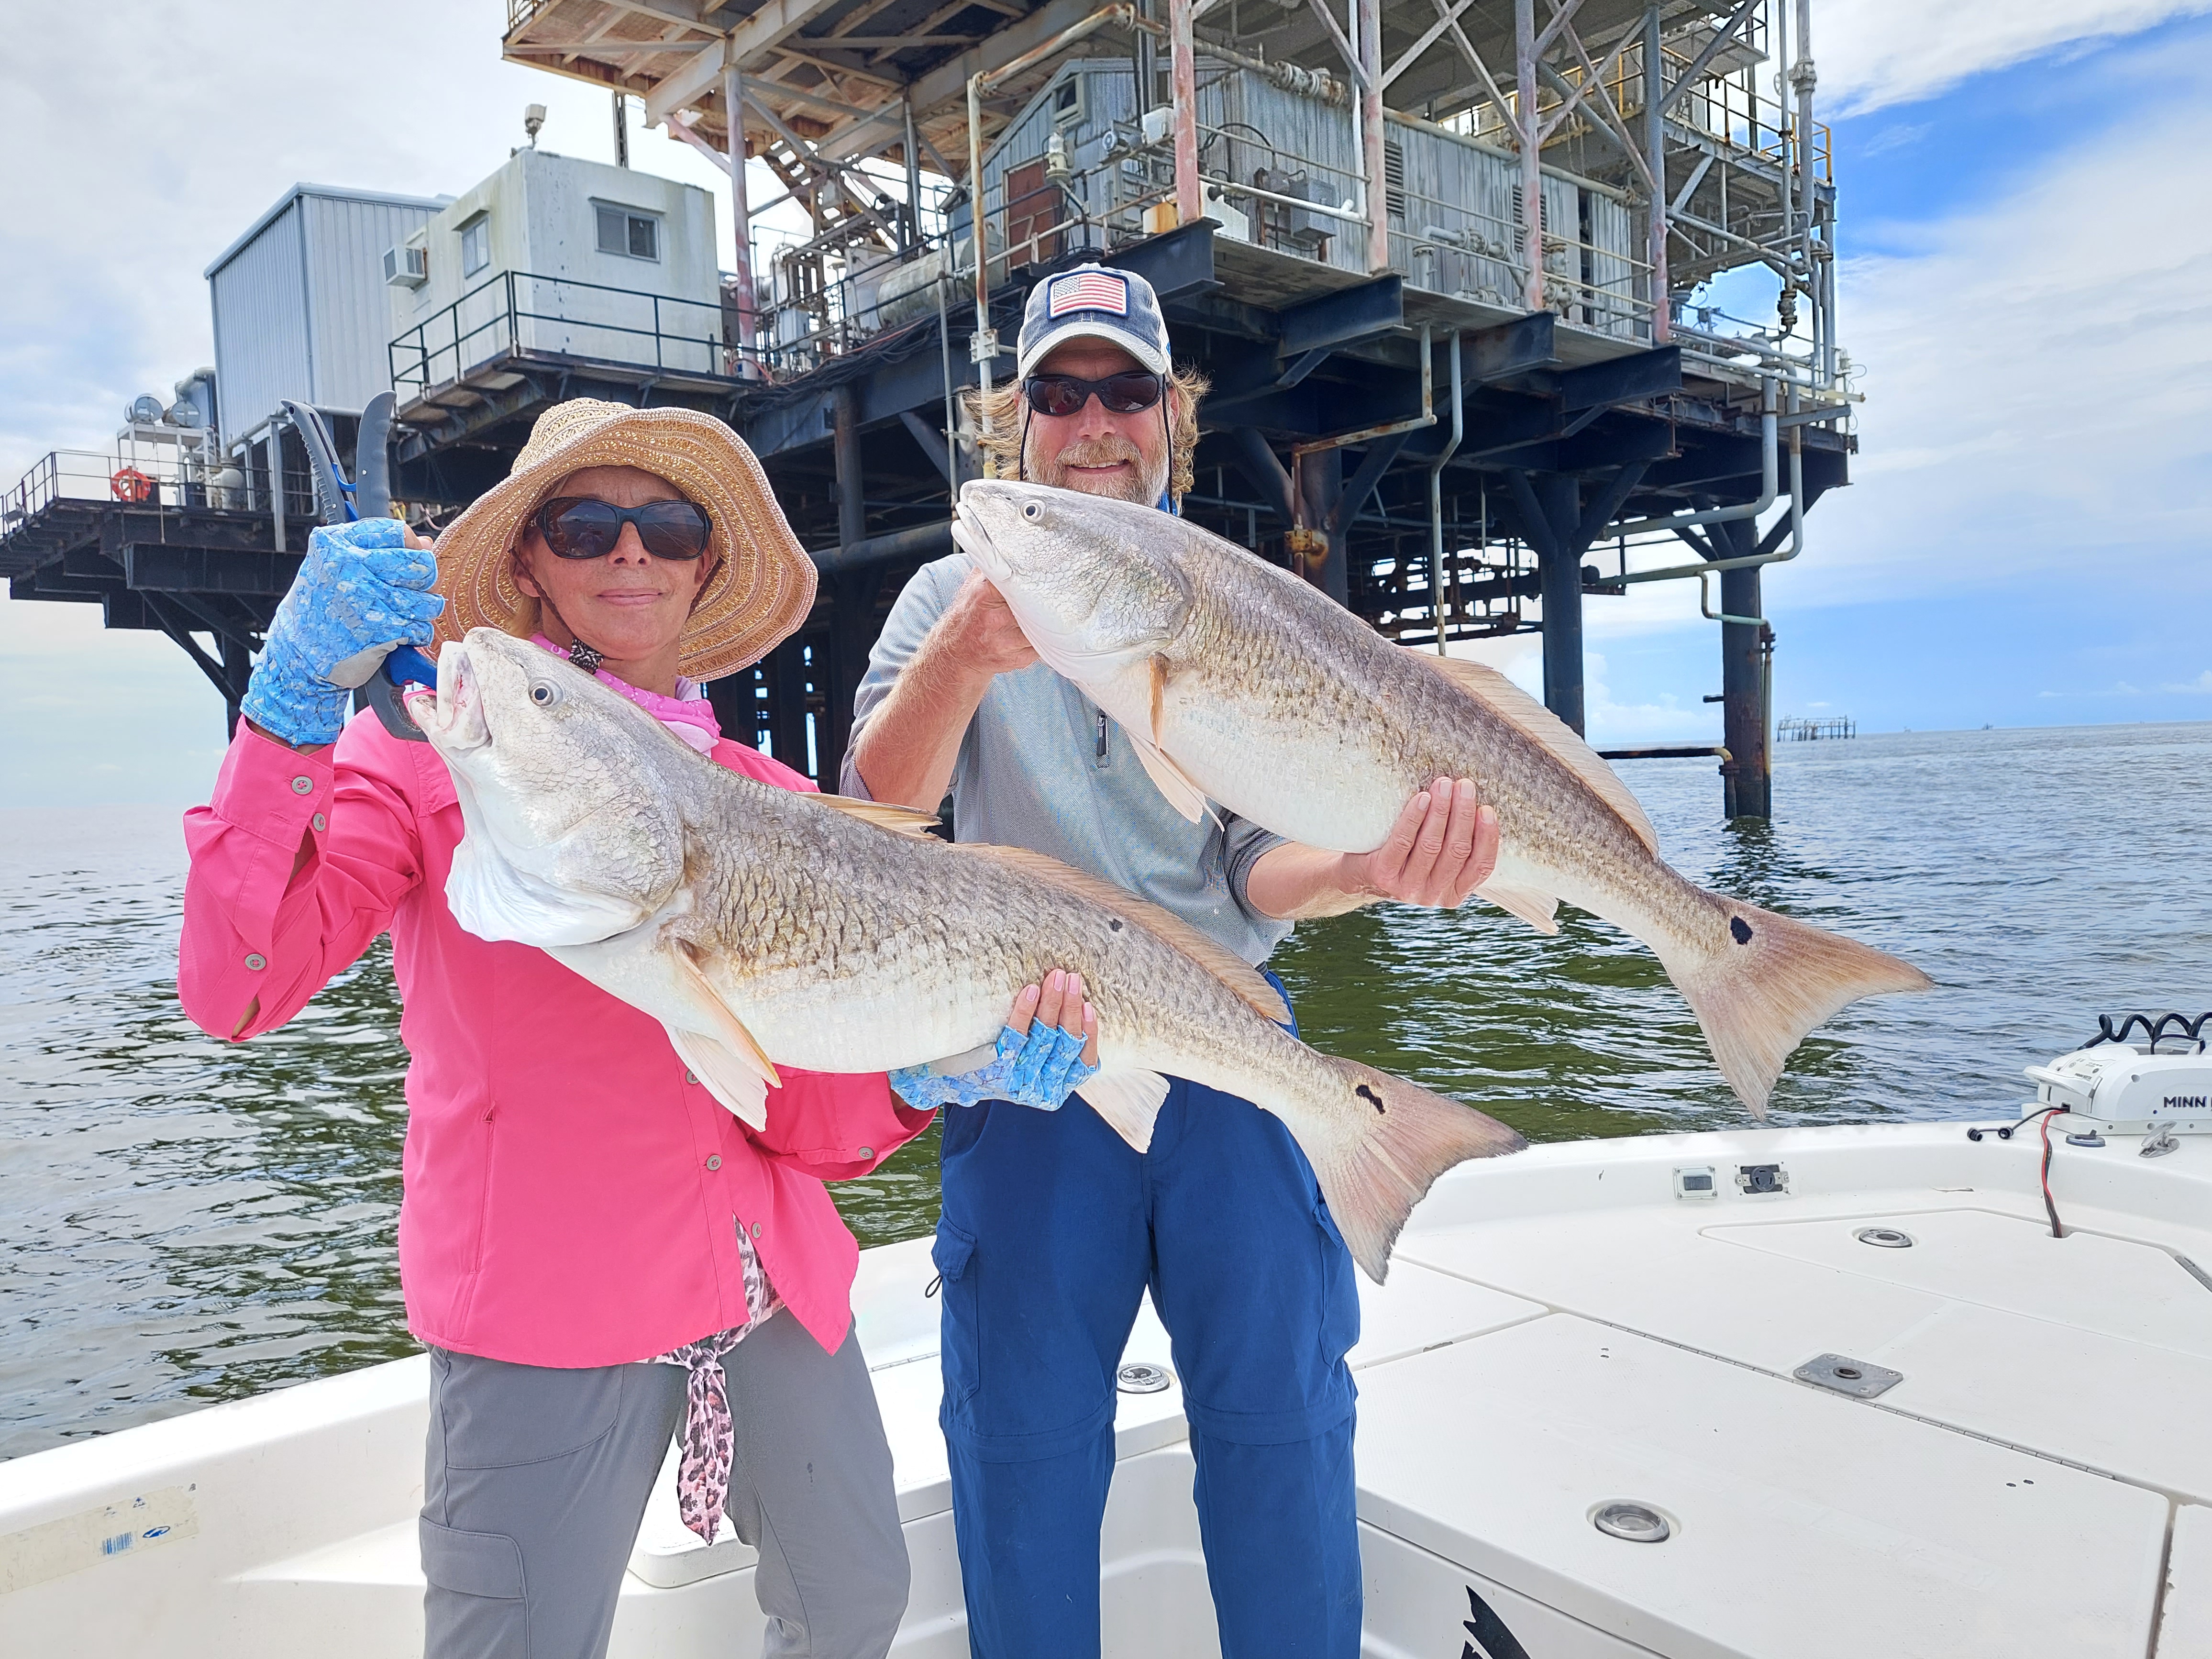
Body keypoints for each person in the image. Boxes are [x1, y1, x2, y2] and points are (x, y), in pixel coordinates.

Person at [177, 398, 1095, 1659]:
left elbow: (805, 1119)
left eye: (666, 525)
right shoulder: (432, 765)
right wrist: (284, 709)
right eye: (587, 523)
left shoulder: (769, 798)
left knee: (856, 1598)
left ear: (706, 562)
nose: (631, 552)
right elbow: (238, 985)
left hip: (768, 1277)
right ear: (533, 563)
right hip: (543, 1303)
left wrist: (936, 1072)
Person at [842, 265, 1502, 1659]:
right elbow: (880, 814)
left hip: (1228, 1049)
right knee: (1020, 1447)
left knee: (1281, 1425)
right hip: (1035, 1062)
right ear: (1014, 426)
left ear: (1171, 420)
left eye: (1126, 390)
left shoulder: (1235, 598)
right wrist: (965, 659)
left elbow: (1256, 860)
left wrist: (1368, 866)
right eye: (1061, 393)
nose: (1095, 422)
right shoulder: (940, 599)